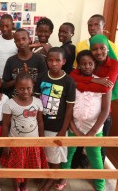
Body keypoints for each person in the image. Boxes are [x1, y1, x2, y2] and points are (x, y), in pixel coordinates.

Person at [61, 50, 111, 191]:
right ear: (78, 65)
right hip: (74, 125)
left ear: (95, 65)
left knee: (95, 157)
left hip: (94, 128)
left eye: (90, 63)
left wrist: (93, 131)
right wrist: (74, 129)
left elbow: (105, 110)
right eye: (83, 64)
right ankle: (63, 177)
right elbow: (68, 106)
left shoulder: (103, 83)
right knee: (68, 153)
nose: (87, 66)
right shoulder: (73, 81)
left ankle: (100, 185)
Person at [70, 34, 118, 164]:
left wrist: (79, 85)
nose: (99, 52)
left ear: (108, 48)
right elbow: (72, 77)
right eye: (94, 49)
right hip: (81, 114)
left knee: (98, 149)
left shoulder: (114, 64)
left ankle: (98, 177)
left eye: (102, 48)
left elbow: (105, 89)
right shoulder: (91, 62)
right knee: (75, 147)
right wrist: (94, 80)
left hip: (102, 113)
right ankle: (78, 164)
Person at [35, 47, 76, 191]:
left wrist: (63, 129)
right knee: (44, 153)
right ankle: (45, 176)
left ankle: (51, 180)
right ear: (46, 61)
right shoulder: (41, 77)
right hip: (41, 125)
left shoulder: (69, 82)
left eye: (57, 60)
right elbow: (36, 101)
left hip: (57, 127)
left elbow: (69, 108)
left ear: (63, 61)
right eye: (50, 60)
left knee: (55, 157)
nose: (53, 63)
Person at [0, 72, 49, 191]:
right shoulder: (9, 104)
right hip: (16, 144)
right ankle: (16, 186)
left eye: (28, 88)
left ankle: (24, 185)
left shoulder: (37, 102)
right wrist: (5, 143)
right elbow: (5, 125)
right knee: (15, 168)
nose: (25, 91)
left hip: (33, 143)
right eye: (21, 88)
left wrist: (42, 140)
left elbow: (40, 122)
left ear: (33, 87)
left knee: (28, 166)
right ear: (16, 88)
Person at [2, 28, 48, 98]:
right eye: (17, 40)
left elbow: (45, 82)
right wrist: (19, 78)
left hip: (35, 100)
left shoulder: (39, 59)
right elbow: (4, 85)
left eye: (24, 39)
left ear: (29, 40)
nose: (21, 42)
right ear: (15, 42)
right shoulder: (11, 61)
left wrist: (28, 76)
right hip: (15, 100)